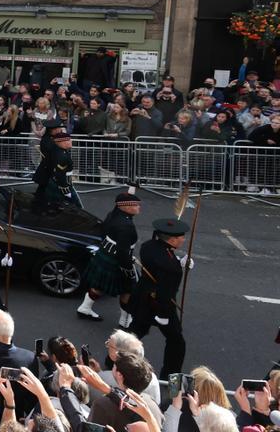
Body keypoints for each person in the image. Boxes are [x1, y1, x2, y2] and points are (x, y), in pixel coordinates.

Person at [129, 217, 191, 377]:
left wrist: (178, 261)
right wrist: (163, 315)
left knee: (135, 332)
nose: (184, 239)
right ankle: (170, 374)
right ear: (171, 239)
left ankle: (114, 359)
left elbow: (157, 261)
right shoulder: (172, 269)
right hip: (160, 305)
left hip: (142, 298)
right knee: (176, 341)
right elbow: (165, 292)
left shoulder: (148, 246)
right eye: (181, 237)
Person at [77, 187, 140, 324]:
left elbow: (104, 232)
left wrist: (131, 190)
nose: (138, 207)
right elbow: (123, 252)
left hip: (106, 253)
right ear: (125, 207)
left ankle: (84, 308)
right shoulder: (126, 226)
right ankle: (125, 321)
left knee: (99, 286)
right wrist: (128, 268)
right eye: (135, 205)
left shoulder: (113, 214)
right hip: (118, 260)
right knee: (128, 290)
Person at [33, 121, 80, 209]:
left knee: (42, 194)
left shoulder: (52, 139)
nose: (60, 130)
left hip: (51, 172)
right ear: (53, 130)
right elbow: (56, 159)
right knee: (45, 195)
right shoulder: (49, 141)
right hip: (49, 171)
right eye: (58, 128)